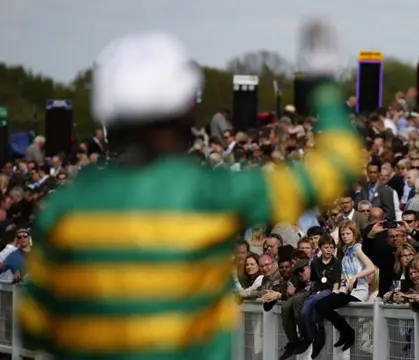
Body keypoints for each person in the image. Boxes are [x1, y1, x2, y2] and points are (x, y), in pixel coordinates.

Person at [19, 21, 363, 360]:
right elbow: (336, 166)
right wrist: (322, 84)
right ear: (186, 107)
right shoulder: (213, 193)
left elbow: (34, 326)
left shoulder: (64, 206)